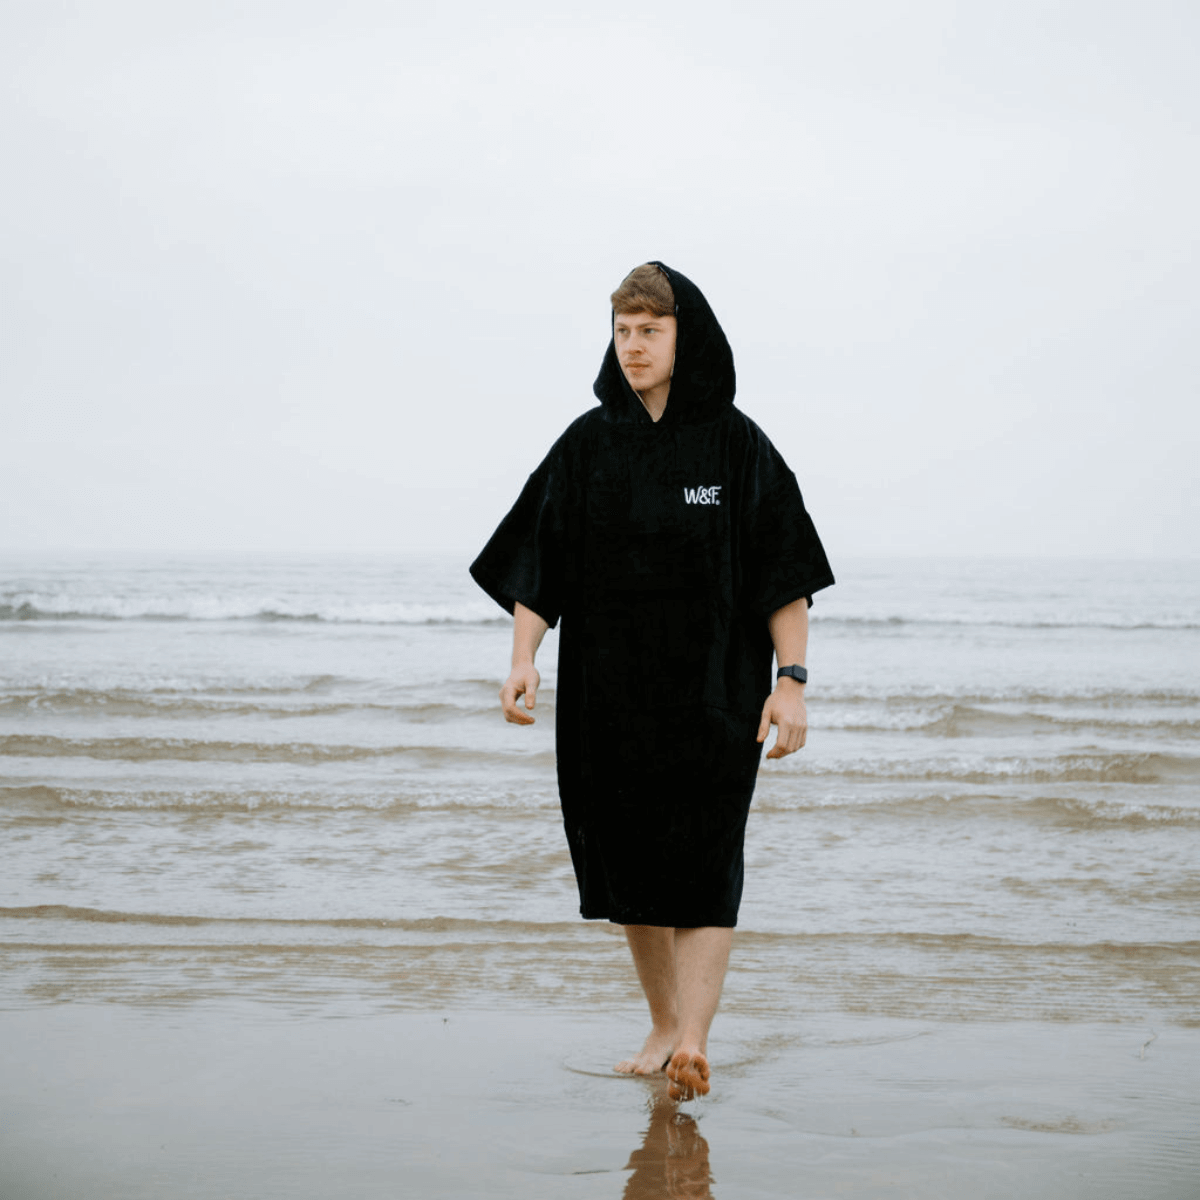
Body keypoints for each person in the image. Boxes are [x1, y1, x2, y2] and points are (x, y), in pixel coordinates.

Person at [470, 262, 833, 1100]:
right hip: (606, 698)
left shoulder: (737, 445)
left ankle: (694, 1040)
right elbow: (539, 562)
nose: (632, 347)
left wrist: (793, 682)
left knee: (707, 861)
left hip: (715, 695)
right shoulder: (588, 444)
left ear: (684, 336)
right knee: (627, 864)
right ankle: (666, 1021)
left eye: (649, 331)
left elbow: (785, 573)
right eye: (623, 330)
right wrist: (523, 656)